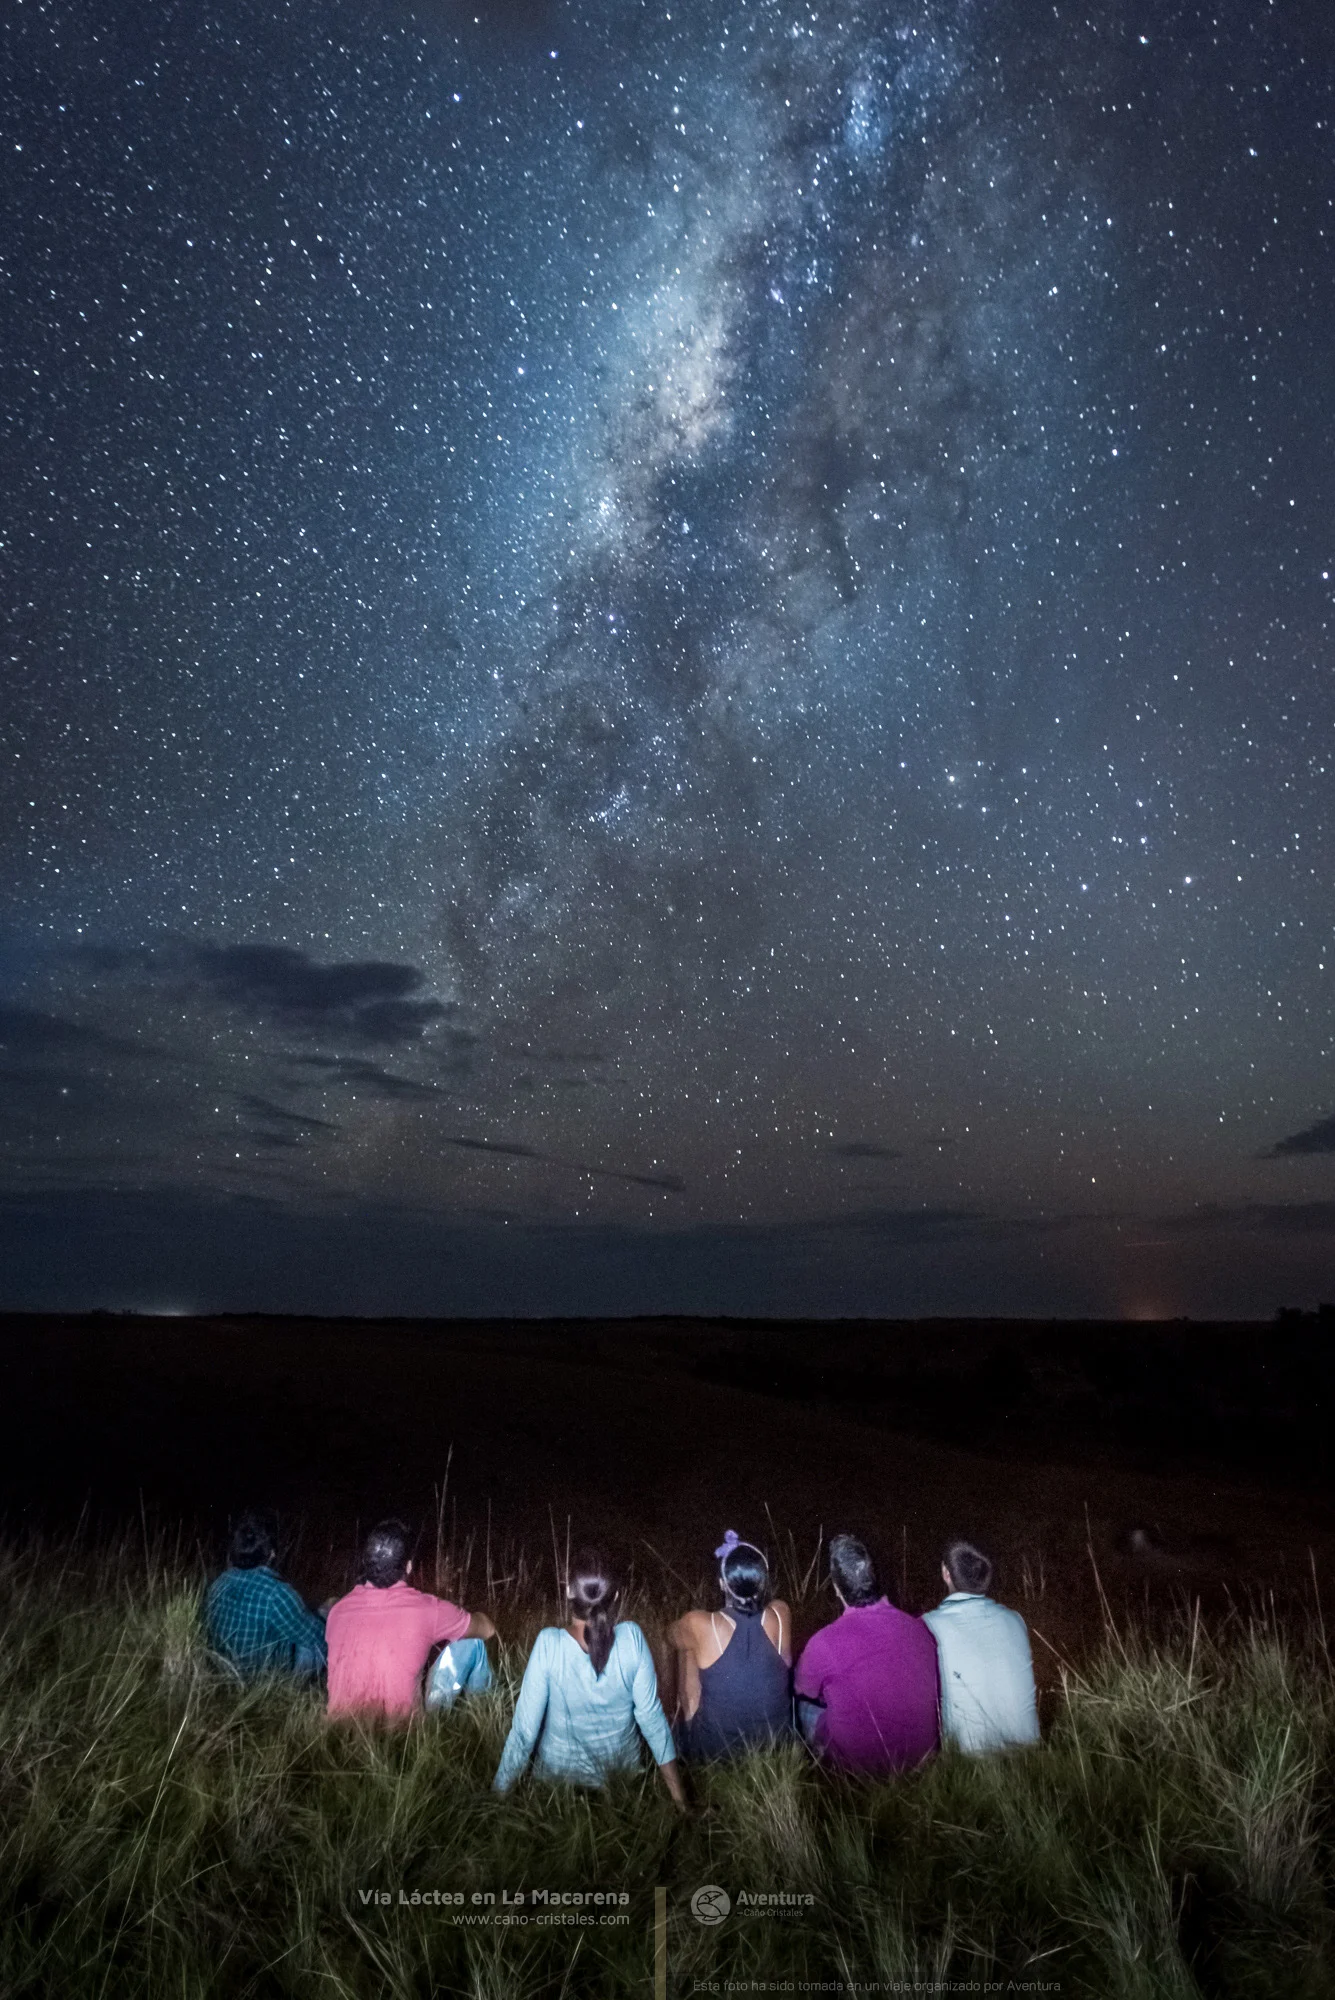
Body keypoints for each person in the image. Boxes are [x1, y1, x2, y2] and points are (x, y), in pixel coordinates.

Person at [494, 1549, 685, 1805]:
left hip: (557, 1784)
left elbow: (524, 1732)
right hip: (620, 1779)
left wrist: (497, 1798)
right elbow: (651, 1718)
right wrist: (681, 1802)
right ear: (616, 1596)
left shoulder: (549, 1643)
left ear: (568, 1592)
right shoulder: (632, 1639)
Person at [793, 1532, 938, 1773]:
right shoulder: (918, 1627)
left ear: (837, 1588)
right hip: (921, 1759)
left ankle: (812, 1766)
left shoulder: (824, 1642)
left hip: (858, 1768)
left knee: (802, 1702)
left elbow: (803, 1690)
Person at [325, 1519, 495, 1721]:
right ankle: (482, 1717)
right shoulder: (426, 1608)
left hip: (340, 1733)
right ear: (408, 1566)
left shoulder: (338, 1610)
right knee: (473, 1643)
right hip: (404, 1738)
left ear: (366, 1564)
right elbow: (488, 1630)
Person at [669, 1530, 792, 1759]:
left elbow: (671, 1635)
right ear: (762, 1582)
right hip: (775, 1744)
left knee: (687, 1647)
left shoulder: (700, 1623)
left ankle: (687, 1735)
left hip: (718, 1752)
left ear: (722, 1584)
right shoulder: (781, 1614)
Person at [921, 1539, 1040, 1754]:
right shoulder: (1015, 1620)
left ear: (946, 1573)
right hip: (1028, 1756)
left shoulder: (927, 1626)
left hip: (967, 1763)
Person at [204, 1510, 327, 1681]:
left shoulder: (220, 1583)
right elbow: (319, 1638)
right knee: (315, 1635)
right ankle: (298, 1692)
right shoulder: (277, 1593)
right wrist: (327, 1615)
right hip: (262, 1682)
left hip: (222, 1676)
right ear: (271, 1553)